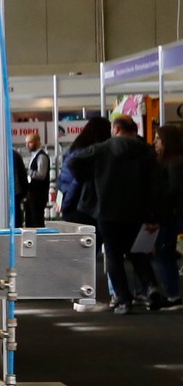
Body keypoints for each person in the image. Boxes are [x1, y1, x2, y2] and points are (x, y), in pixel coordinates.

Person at [66, 114, 163, 312]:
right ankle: (151, 287)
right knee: (138, 251)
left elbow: (73, 163)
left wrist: (90, 178)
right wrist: (154, 214)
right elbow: (155, 185)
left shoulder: (101, 149)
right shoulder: (146, 151)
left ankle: (123, 299)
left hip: (106, 209)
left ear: (116, 129)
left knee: (113, 254)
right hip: (137, 210)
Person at [57, 116, 111, 226]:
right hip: (81, 208)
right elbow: (76, 182)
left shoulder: (73, 150)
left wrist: (62, 203)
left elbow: (62, 181)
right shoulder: (88, 154)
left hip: (70, 206)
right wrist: (66, 204)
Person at [155, 124, 183, 304]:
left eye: (158, 139)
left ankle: (172, 294)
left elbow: (173, 190)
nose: (155, 142)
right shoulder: (174, 162)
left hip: (172, 216)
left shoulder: (174, 163)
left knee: (164, 255)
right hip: (173, 215)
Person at [20, 134, 53, 227]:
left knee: (37, 221)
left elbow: (41, 175)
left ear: (37, 142)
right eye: (26, 143)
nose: (27, 145)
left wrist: (28, 172)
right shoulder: (34, 156)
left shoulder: (42, 156)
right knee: (30, 220)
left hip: (39, 195)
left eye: (30, 143)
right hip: (32, 194)